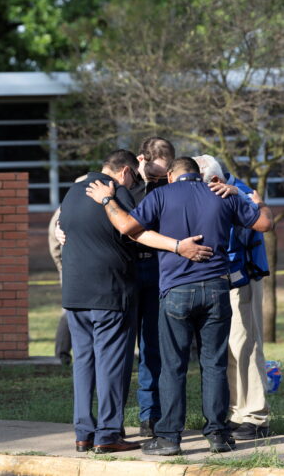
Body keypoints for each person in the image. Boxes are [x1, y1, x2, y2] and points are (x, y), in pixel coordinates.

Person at [85, 157, 273, 455]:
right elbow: (265, 223)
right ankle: (219, 435)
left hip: (175, 292)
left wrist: (107, 199)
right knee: (215, 364)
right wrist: (256, 201)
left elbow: (126, 226)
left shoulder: (160, 194)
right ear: (199, 176)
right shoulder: (221, 194)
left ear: (171, 176)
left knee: (173, 366)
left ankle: (169, 438)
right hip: (217, 290)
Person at [60, 150, 213, 454]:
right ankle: (108, 434)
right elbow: (136, 231)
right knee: (111, 364)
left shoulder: (72, 192)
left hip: (74, 293)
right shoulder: (116, 193)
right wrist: (177, 246)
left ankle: (83, 433)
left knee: (83, 363)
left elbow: (63, 229)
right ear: (127, 172)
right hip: (110, 292)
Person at [194, 155, 271, 440]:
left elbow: (262, 221)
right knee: (225, 350)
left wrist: (241, 197)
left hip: (241, 280)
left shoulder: (239, 192)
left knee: (245, 347)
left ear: (214, 180)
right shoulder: (217, 188)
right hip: (216, 282)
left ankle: (254, 417)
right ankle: (235, 412)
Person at [130, 137, 175, 436]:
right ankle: (111, 419)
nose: (158, 180)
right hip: (127, 270)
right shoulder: (124, 185)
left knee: (152, 346)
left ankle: (150, 414)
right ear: (141, 160)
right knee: (120, 347)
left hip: (160, 268)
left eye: (164, 175)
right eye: (154, 175)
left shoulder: (172, 186)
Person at [48, 207, 73, 366]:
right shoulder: (66, 207)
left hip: (69, 266)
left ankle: (61, 354)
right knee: (68, 312)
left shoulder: (67, 204)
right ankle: (61, 354)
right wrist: (61, 266)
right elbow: (54, 240)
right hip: (69, 268)